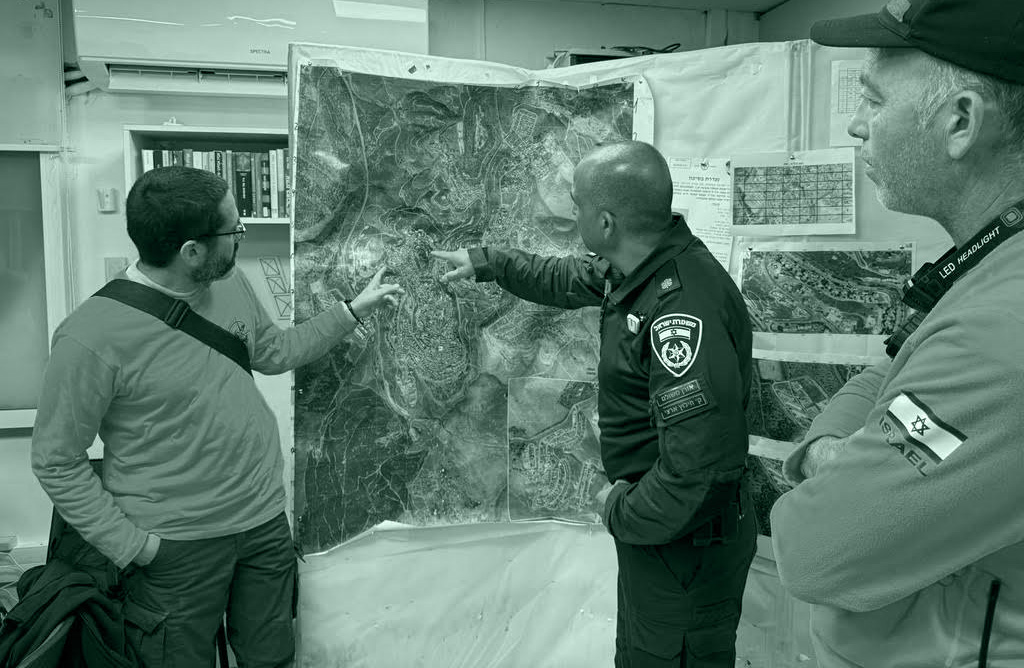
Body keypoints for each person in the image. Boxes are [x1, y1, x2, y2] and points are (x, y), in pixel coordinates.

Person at [31, 166, 403, 667]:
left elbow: (274, 352)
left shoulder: (228, 284)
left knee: (270, 659)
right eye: (234, 231)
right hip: (174, 547)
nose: (240, 240)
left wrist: (350, 311)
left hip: (263, 526)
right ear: (191, 251)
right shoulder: (90, 337)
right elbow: (57, 460)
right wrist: (134, 547)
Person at [432, 140, 755, 667]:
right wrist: (485, 262)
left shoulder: (682, 309)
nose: (571, 210)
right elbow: (562, 278)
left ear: (605, 222)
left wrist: (619, 511)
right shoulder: (639, 267)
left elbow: (702, 471)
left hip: (683, 540)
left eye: (577, 202)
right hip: (662, 531)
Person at [770, 1, 1024, 666]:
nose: (856, 126)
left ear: (961, 121)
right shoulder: (993, 265)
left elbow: (815, 549)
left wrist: (825, 461)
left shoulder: (1003, 332)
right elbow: (888, 368)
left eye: (873, 100)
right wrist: (840, 449)